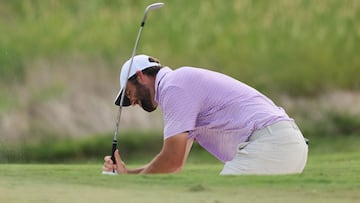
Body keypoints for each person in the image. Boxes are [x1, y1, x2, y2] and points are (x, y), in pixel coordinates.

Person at [102, 54, 308, 175]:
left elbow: (171, 160)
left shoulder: (174, 86)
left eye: (130, 93)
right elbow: (175, 162)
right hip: (284, 145)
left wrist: (134, 182)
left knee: (220, 195)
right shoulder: (178, 87)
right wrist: (129, 174)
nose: (134, 102)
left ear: (140, 76)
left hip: (272, 144)